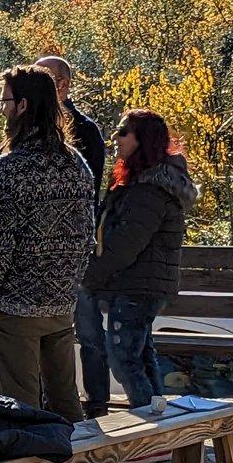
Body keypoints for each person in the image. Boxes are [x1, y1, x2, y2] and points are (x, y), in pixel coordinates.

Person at [0, 65, 95, 463]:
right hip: (61, 303)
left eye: (5, 101)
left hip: (16, 305)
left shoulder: (10, 167)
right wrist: (67, 286)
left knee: (20, 404)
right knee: (66, 400)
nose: (3, 110)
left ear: (22, 106)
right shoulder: (76, 164)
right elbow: (86, 236)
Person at [81, 109, 198, 409]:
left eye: (123, 132)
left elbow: (126, 244)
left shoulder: (150, 188)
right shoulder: (140, 182)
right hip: (138, 285)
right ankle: (160, 427)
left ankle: (152, 430)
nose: (116, 138)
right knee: (142, 358)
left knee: (123, 360)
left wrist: (90, 275)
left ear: (142, 139)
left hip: (138, 286)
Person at [35, 55, 110, 419]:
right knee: (41, 330)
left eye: (43, 77)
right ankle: (45, 402)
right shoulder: (27, 128)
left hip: (76, 248)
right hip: (38, 249)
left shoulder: (86, 131)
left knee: (88, 330)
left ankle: (96, 402)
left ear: (63, 84)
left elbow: (90, 189)